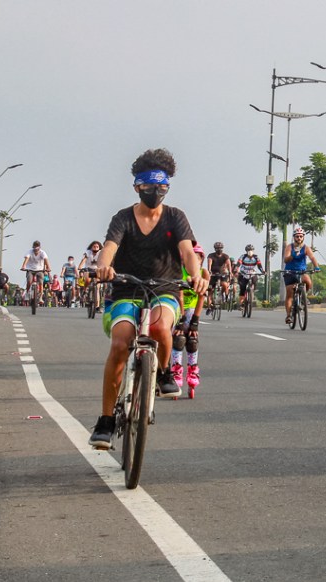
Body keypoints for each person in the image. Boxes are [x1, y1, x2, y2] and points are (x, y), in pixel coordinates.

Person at [88, 148, 205, 448]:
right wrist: (104, 267)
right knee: (119, 343)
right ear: (137, 187)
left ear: (167, 187)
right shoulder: (123, 218)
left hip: (165, 289)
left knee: (158, 329)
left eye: (161, 187)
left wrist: (196, 275)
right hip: (126, 289)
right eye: (148, 187)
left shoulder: (176, 217)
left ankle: (164, 371)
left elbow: (187, 252)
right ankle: (105, 420)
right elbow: (110, 247)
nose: (155, 192)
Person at [171, 243, 210, 393]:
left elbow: (201, 298)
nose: (195, 261)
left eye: (198, 258)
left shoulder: (204, 273)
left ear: (201, 260)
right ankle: (176, 368)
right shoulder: (179, 272)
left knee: (192, 340)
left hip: (192, 309)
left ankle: (193, 369)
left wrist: (195, 322)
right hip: (177, 306)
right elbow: (180, 297)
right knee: (179, 338)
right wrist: (180, 321)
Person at [282, 227, 321, 324]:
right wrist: (292, 256)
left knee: (307, 281)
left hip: (301, 271)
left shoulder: (305, 248)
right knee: (289, 293)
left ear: (303, 237)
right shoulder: (289, 247)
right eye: (297, 236)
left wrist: (316, 267)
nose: (299, 238)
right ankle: (288, 315)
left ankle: (304, 296)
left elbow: (312, 257)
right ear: (294, 237)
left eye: (301, 236)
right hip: (290, 272)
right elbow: (285, 259)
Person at [235, 244, 265, 309]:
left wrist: (263, 271)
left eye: (251, 250)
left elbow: (259, 265)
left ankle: (252, 291)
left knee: (255, 280)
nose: (250, 251)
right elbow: (238, 263)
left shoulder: (256, 257)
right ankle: (241, 303)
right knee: (242, 288)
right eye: (248, 250)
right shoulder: (243, 256)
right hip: (244, 273)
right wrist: (236, 268)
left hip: (252, 272)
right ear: (246, 251)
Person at [206, 241, 232, 307]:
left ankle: (225, 296)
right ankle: (209, 306)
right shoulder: (211, 255)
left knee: (225, 284)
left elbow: (229, 264)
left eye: (220, 248)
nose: (219, 249)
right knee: (210, 290)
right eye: (217, 248)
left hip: (222, 273)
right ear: (215, 249)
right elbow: (209, 263)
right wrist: (209, 270)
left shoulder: (225, 256)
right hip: (213, 273)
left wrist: (230, 272)